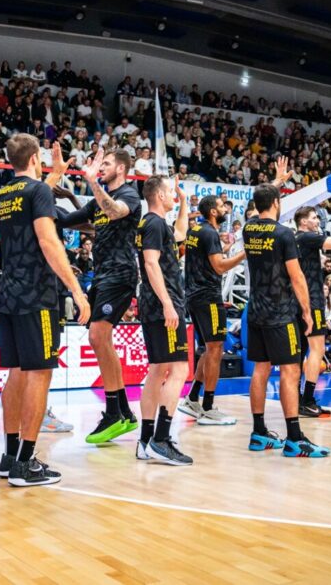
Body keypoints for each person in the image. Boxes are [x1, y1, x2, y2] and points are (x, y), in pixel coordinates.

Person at [0, 136, 90, 486]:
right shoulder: (39, 193)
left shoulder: (5, 194)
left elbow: (30, 196)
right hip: (37, 295)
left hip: (8, 294)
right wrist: (77, 292)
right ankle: (26, 463)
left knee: (17, 373)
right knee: (40, 374)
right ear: (36, 158)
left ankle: (9, 456)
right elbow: (49, 243)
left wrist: (52, 176)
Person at [58, 147, 143, 444]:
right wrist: (44, 202)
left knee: (97, 336)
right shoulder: (98, 202)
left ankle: (112, 412)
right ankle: (123, 411)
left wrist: (92, 181)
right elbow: (74, 219)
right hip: (103, 276)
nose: (101, 167)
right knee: (101, 340)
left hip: (120, 275)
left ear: (121, 169)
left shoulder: (130, 195)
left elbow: (114, 211)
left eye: (106, 163)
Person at [243, 184, 330, 458]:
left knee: (261, 369)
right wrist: (306, 311)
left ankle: (259, 433)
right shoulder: (284, 234)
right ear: (277, 203)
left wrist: (274, 183)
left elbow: (261, 205)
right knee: (291, 372)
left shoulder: (248, 229)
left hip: (256, 310)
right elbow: (296, 276)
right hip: (281, 312)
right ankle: (294, 438)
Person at [135, 176, 192, 465]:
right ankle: (161, 438)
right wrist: (169, 304)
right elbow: (150, 263)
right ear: (158, 194)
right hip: (164, 307)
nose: (173, 194)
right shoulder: (155, 224)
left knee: (157, 371)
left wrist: (183, 202)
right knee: (179, 370)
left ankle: (145, 440)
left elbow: (180, 232)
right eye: (170, 192)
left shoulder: (153, 224)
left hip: (153, 306)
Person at [176, 194, 246, 425]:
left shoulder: (196, 230)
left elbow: (203, 258)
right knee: (216, 349)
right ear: (213, 212)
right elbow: (218, 267)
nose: (225, 208)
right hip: (208, 297)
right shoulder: (209, 233)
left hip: (194, 297)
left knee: (208, 348)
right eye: (220, 206)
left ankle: (194, 397)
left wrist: (224, 247)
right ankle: (208, 407)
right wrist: (244, 253)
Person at [292, 199, 331, 416]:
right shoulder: (308, 237)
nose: (317, 220)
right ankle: (308, 399)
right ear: (303, 221)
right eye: (314, 217)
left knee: (298, 353)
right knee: (317, 349)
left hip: (294, 300)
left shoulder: (293, 238)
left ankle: (296, 400)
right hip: (312, 299)